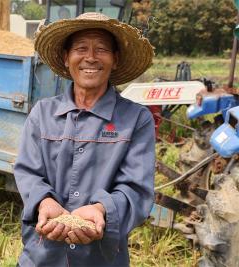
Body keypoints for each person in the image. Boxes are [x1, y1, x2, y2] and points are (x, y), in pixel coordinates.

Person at [14, 12, 155, 267]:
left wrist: (101, 210)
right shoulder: (42, 114)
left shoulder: (136, 119)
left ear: (115, 60)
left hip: (101, 258)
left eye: (101, 49)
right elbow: (28, 172)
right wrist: (45, 202)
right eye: (81, 48)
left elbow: (136, 189)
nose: (90, 57)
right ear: (66, 58)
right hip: (43, 255)